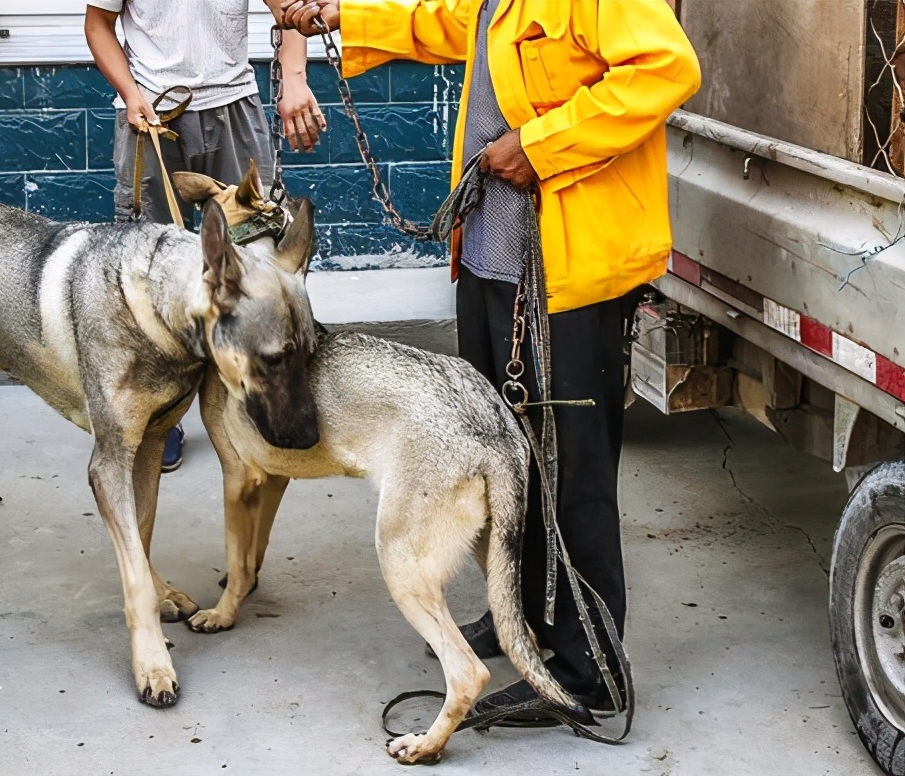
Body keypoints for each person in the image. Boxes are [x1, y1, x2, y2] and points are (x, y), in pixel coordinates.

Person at [280, 0, 701, 718]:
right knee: (511, 462)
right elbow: (439, 20)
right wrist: (338, 15)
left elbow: (666, 69)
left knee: (573, 476)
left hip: (564, 280)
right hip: (490, 264)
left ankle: (589, 672)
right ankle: (529, 622)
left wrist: (541, 146)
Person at [85, 0, 327, 472]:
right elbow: (98, 24)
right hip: (153, 109)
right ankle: (161, 415)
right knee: (147, 269)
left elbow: (293, 12)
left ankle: (261, 398)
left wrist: (294, 78)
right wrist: (131, 94)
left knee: (258, 259)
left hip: (233, 105)